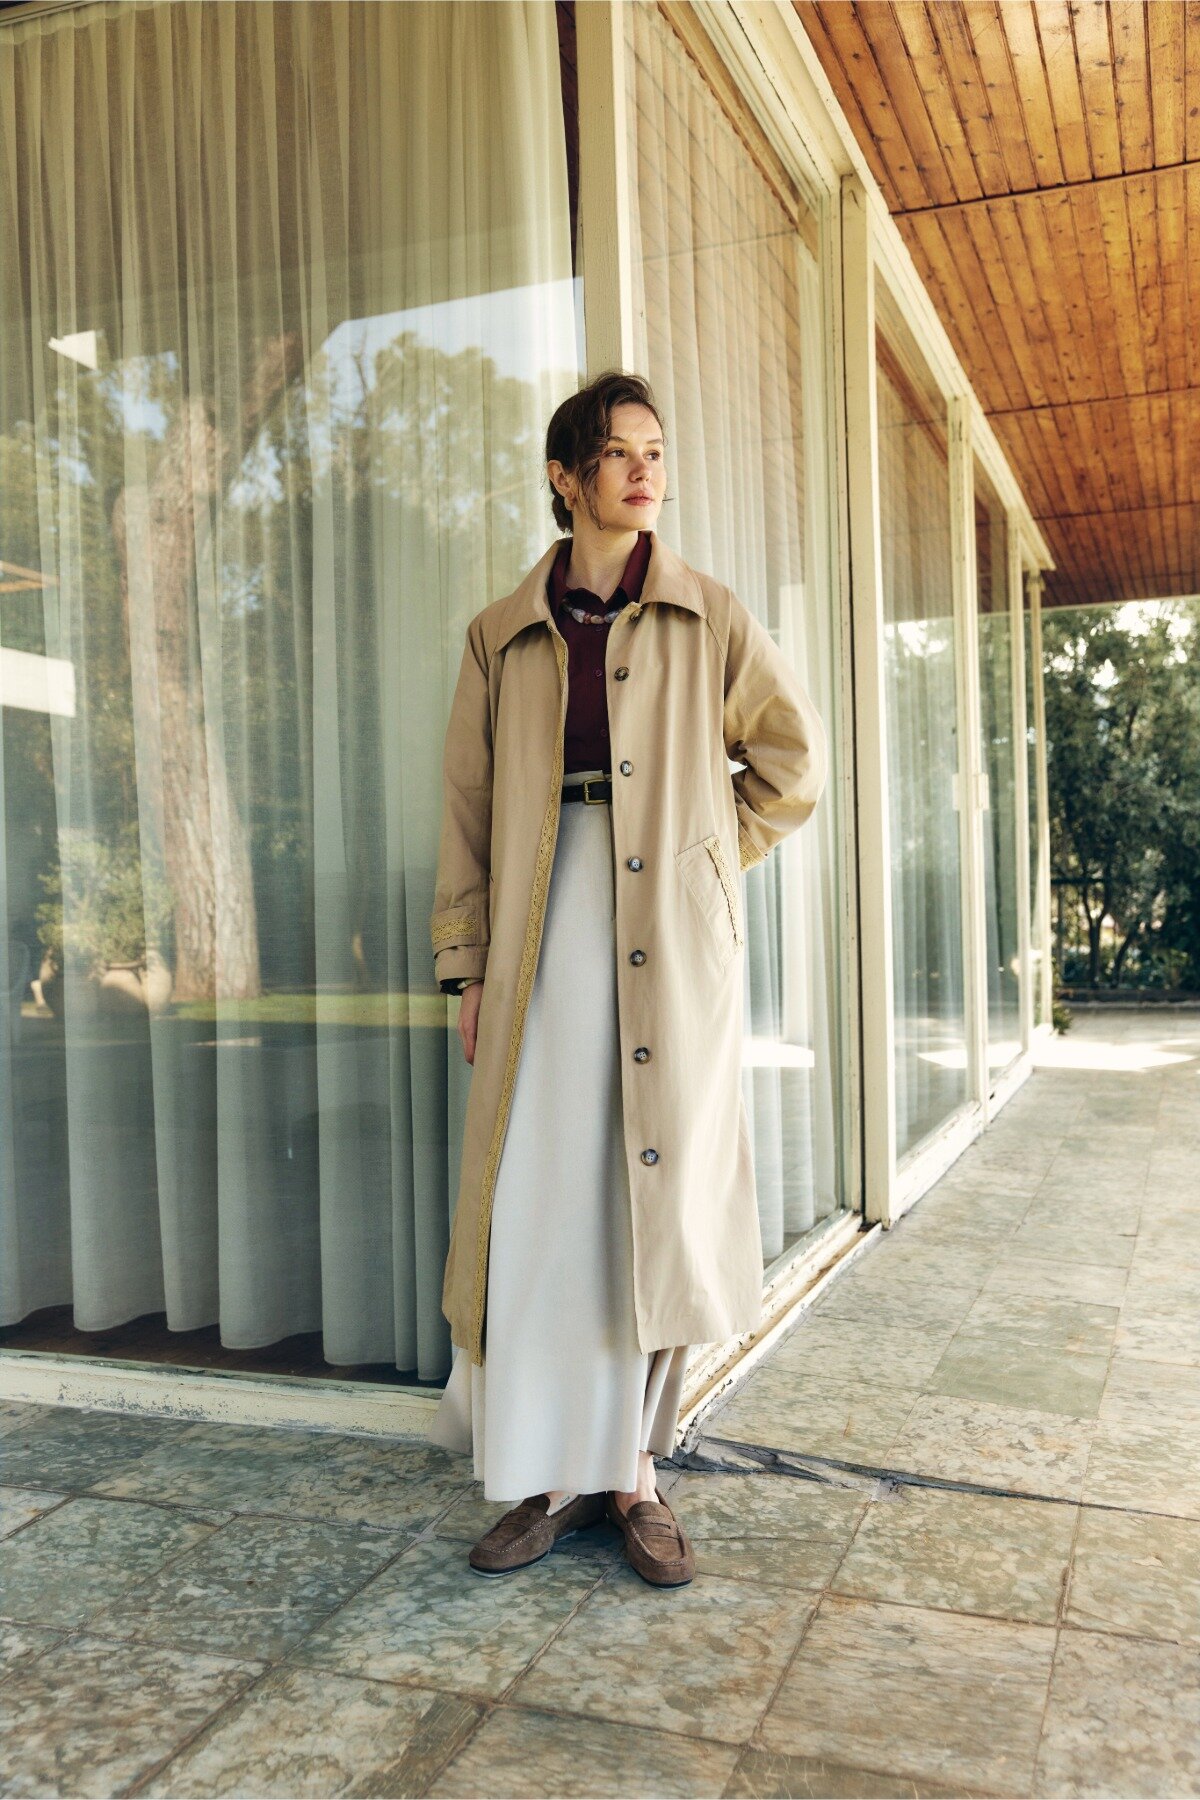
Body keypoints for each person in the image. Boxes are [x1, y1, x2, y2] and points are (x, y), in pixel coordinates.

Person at [427, 369, 827, 1587]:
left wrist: (704, 862)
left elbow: (791, 765)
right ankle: (546, 1476)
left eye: (656, 450)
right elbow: (466, 809)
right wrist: (466, 969)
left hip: (665, 932)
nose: (646, 470)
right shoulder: (500, 633)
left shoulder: (709, 614)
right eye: (619, 452)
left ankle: (634, 1479)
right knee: (544, 1191)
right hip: (537, 926)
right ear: (566, 476)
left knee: (650, 1190)